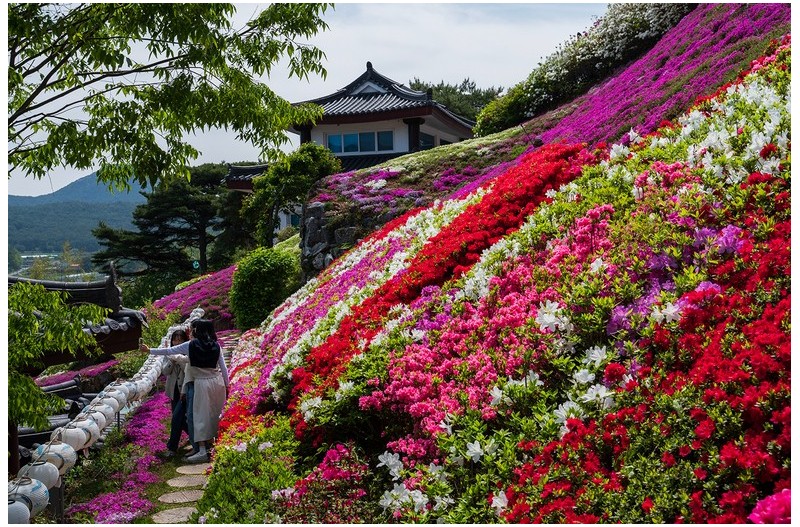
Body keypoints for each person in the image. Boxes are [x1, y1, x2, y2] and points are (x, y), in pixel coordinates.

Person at [142, 319, 230, 463]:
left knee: (199, 417)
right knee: (214, 414)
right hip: (217, 382)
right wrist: (227, 385)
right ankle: (214, 444)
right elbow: (224, 368)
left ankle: (202, 450)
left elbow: (170, 350)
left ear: (197, 330)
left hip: (201, 383)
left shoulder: (191, 345)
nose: (191, 331)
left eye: (193, 328)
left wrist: (149, 350)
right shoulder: (216, 346)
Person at [161, 328, 190, 458]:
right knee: (179, 419)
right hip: (174, 391)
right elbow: (165, 372)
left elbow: (188, 369)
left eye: (180, 340)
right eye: (175, 340)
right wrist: (172, 361)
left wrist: (179, 359)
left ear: (185, 341)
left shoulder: (189, 353)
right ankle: (197, 438)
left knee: (176, 418)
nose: (177, 343)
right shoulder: (168, 354)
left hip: (185, 391)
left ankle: (172, 448)